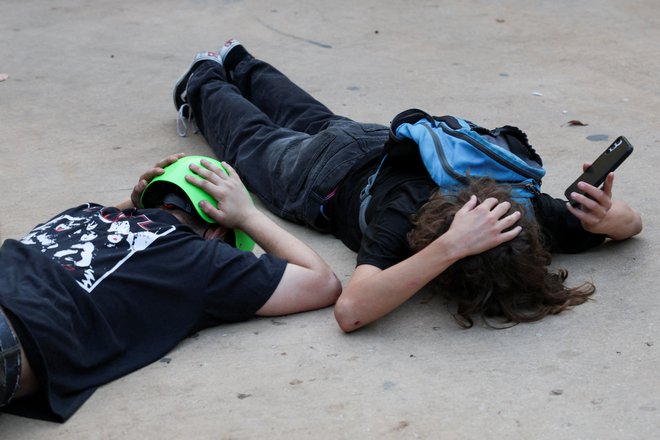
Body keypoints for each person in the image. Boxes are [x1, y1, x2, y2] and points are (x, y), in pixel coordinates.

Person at [172, 39, 643, 333]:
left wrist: (614, 218)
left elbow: (631, 224)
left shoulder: (525, 213)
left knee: (309, 115)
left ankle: (238, 58)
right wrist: (448, 249)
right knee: (252, 139)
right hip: (320, 177)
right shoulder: (408, 214)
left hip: (383, 144)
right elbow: (350, 311)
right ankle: (204, 75)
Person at [0, 154, 341, 422]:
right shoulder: (200, 259)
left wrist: (132, 204)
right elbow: (322, 282)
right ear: (219, 232)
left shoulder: (78, 215)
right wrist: (248, 216)